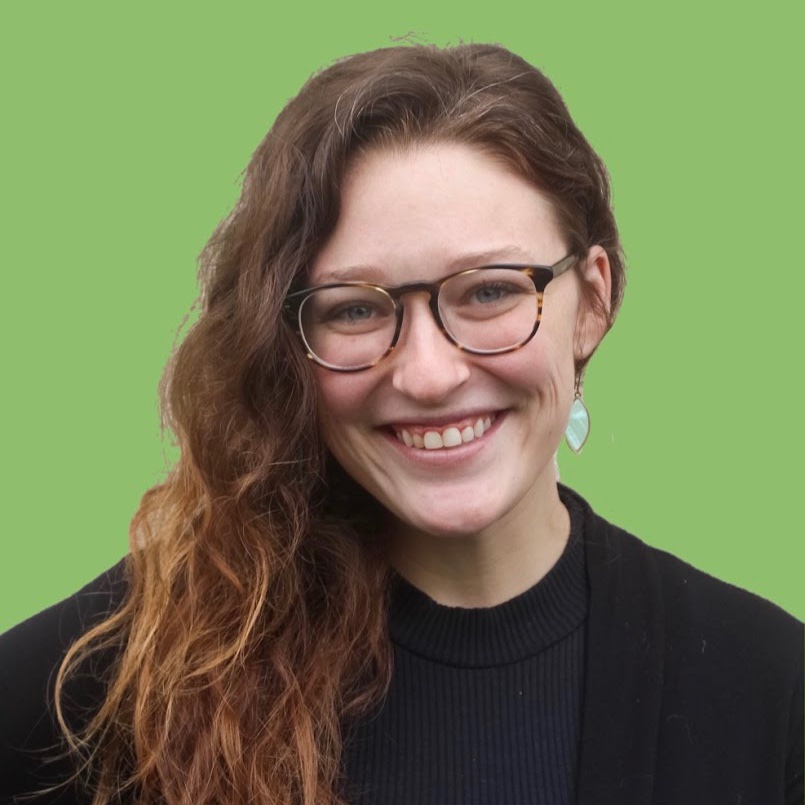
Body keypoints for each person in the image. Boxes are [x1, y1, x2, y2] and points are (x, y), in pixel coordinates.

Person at [0, 42, 801, 805]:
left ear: (591, 300)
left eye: (488, 291)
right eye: (353, 309)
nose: (426, 373)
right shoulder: (111, 683)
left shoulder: (768, 689)